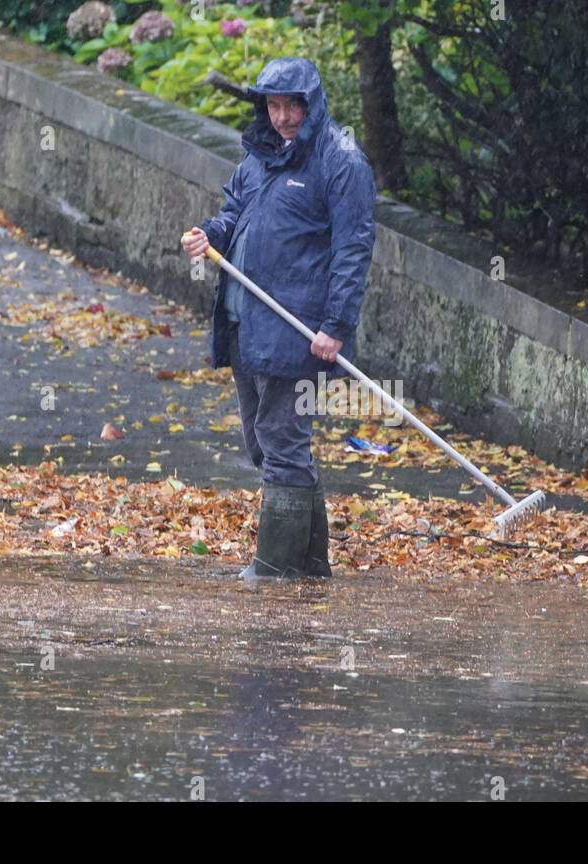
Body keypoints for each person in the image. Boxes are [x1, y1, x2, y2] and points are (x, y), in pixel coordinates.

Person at [181, 56, 376, 581]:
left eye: (292, 105)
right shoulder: (259, 157)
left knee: (282, 438)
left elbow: (353, 250)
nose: (283, 116)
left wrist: (336, 326)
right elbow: (232, 215)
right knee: (261, 440)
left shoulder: (341, 161)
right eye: (273, 105)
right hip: (246, 323)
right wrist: (209, 236)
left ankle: (274, 567)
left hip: (301, 331)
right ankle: (310, 564)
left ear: (312, 104)